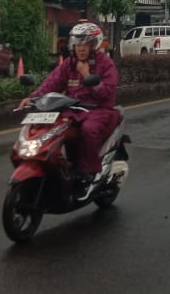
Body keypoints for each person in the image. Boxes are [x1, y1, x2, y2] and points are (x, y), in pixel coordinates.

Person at [19, 21, 120, 198]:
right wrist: (33, 97)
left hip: (99, 110)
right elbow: (52, 82)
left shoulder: (105, 64)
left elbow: (106, 93)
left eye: (85, 45)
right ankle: (60, 167)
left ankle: (88, 171)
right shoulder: (69, 64)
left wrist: (87, 75)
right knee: (54, 129)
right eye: (78, 44)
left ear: (94, 45)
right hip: (73, 109)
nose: (81, 49)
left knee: (89, 130)